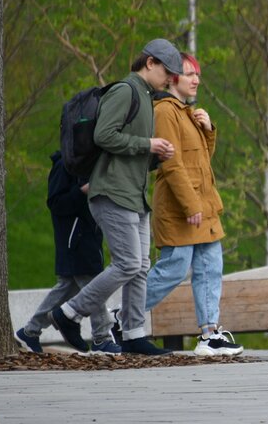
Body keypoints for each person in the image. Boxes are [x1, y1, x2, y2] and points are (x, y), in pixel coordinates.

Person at [49, 38, 183, 355]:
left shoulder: (147, 97)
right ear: (149, 63)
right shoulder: (125, 90)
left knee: (140, 266)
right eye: (168, 71)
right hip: (111, 191)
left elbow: (129, 148)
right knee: (127, 263)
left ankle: (134, 333)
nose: (170, 79)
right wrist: (148, 145)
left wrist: (155, 156)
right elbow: (104, 135)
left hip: (134, 194)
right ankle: (68, 313)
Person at [145, 53, 243, 357]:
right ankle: (120, 316)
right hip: (181, 209)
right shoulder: (164, 111)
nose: (196, 80)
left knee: (211, 266)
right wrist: (189, 206)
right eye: (190, 74)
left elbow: (201, 162)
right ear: (173, 77)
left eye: (198, 74)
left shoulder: (188, 112)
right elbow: (172, 165)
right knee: (173, 268)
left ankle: (210, 334)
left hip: (204, 206)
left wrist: (207, 129)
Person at [14, 151, 120, 354]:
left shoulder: (90, 162)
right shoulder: (64, 164)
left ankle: (30, 331)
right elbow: (56, 203)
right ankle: (102, 337)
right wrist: (83, 192)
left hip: (89, 236)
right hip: (75, 240)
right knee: (93, 285)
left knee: (67, 287)